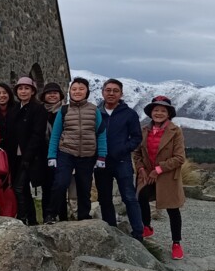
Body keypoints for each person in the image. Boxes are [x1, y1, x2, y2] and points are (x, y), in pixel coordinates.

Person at [45, 78, 107, 223]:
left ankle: (84, 216)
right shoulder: (64, 110)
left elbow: (101, 133)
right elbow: (56, 134)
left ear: (87, 91)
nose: (77, 91)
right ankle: (51, 214)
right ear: (69, 92)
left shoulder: (94, 110)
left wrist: (101, 156)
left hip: (87, 155)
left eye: (81, 89)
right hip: (66, 152)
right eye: (74, 89)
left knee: (84, 188)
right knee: (60, 183)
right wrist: (51, 155)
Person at [133, 96, 187, 259]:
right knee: (141, 197)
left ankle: (176, 243)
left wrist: (158, 170)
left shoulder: (175, 131)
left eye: (163, 110)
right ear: (151, 112)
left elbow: (179, 158)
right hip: (147, 174)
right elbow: (136, 153)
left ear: (169, 113)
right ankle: (147, 226)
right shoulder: (144, 130)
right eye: (156, 110)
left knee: (172, 209)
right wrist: (141, 168)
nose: (159, 113)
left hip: (167, 176)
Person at [95, 79, 145, 241]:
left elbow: (137, 137)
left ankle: (138, 232)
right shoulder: (96, 113)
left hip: (122, 161)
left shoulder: (129, 114)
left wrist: (122, 149)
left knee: (129, 197)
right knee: (104, 198)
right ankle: (111, 230)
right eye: (108, 90)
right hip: (101, 162)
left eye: (115, 91)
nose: (111, 93)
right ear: (102, 92)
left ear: (121, 94)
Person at [9, 77, 47, 225]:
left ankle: (24, 217)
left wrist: (28, 156)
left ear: (32, 91)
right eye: (20, 88)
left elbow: (37, 134)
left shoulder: (38, 109)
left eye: (26, 88)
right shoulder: (14, 110)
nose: (23, 91)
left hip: (31, 156)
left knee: (19, 187)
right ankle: (30, 219)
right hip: (15, 156)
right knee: (21, 188)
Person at [0, 82, 18, 218]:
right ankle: (2, 213)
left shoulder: (17, 109)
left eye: (4, 93)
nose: (1, 96)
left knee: (17, 184)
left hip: (15, 153)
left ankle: (17, 213)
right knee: (0, 185)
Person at [39, 82, 67, 222]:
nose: (52, 95)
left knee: (60, 186)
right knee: (47, 187)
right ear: (44, 96)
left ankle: (62, 217)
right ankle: (47, 216)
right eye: (49, 93)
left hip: (63, 153)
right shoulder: (40, 112)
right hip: (44, 154)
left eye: (55, 93)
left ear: (60, 95)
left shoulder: (66, 111)